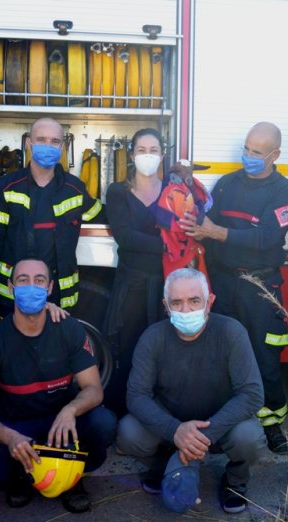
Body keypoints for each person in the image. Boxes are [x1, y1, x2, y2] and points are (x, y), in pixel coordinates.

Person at [0, 258, 117, 513]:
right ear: (11, 288)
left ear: (50, 288)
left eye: (39, 280)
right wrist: (10, 437)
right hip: (15, 425)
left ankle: (73, 477)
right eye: (23, 280)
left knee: (103, 423)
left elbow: (93, 389)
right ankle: (21, 471)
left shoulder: (69, 329)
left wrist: (71, 410)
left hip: (61, 423)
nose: (31, 287)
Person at [179, 122, 288, 454]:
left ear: (275, 155)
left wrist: (215, 232)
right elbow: (206, 224)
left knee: (265, 357)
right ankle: (224, 421)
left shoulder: (284, 192)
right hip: (222, 280)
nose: (248, 156)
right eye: (246, 149)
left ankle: (272, 424)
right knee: (221, 354)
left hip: (259, 284)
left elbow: (266, 239)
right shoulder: (227, 184)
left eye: (256, 152)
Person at [117, 268, 267, 514]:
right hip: (171, 420)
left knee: (249, 438)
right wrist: (175, 430)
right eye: (177, 302)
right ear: (166, 306)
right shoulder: (153, 337)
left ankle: (236, 481)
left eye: (194, 301)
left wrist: (202, 436)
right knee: (129, 432)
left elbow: (252, 394)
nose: (186, 310)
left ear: (210, 302)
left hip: (220, 421)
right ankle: (165, 466)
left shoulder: (231, 332)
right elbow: (136, 395)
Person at [0, 118, 103, 320]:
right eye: (41, 139)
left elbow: (100, 213)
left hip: (61, 295)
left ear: (63, 146)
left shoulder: (75, 189)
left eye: (55, 141)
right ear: (29, 143)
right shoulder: (7, 186)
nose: (48, 146)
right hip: (14, 293)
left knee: (56, 349)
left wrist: (125, 198)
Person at [101, 128, 166, 416]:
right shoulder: (118, 192)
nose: (147, 156)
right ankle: (122, 415)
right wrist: (168, 244)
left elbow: (191, 227)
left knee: (164, 353)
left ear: (162, 155)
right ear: (131, 155)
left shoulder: (173, 192)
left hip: (166, 286)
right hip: (132, 287)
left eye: (154, 150)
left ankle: (160, 414)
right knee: (128, 353)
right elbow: (125, 237)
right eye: (142, 150)